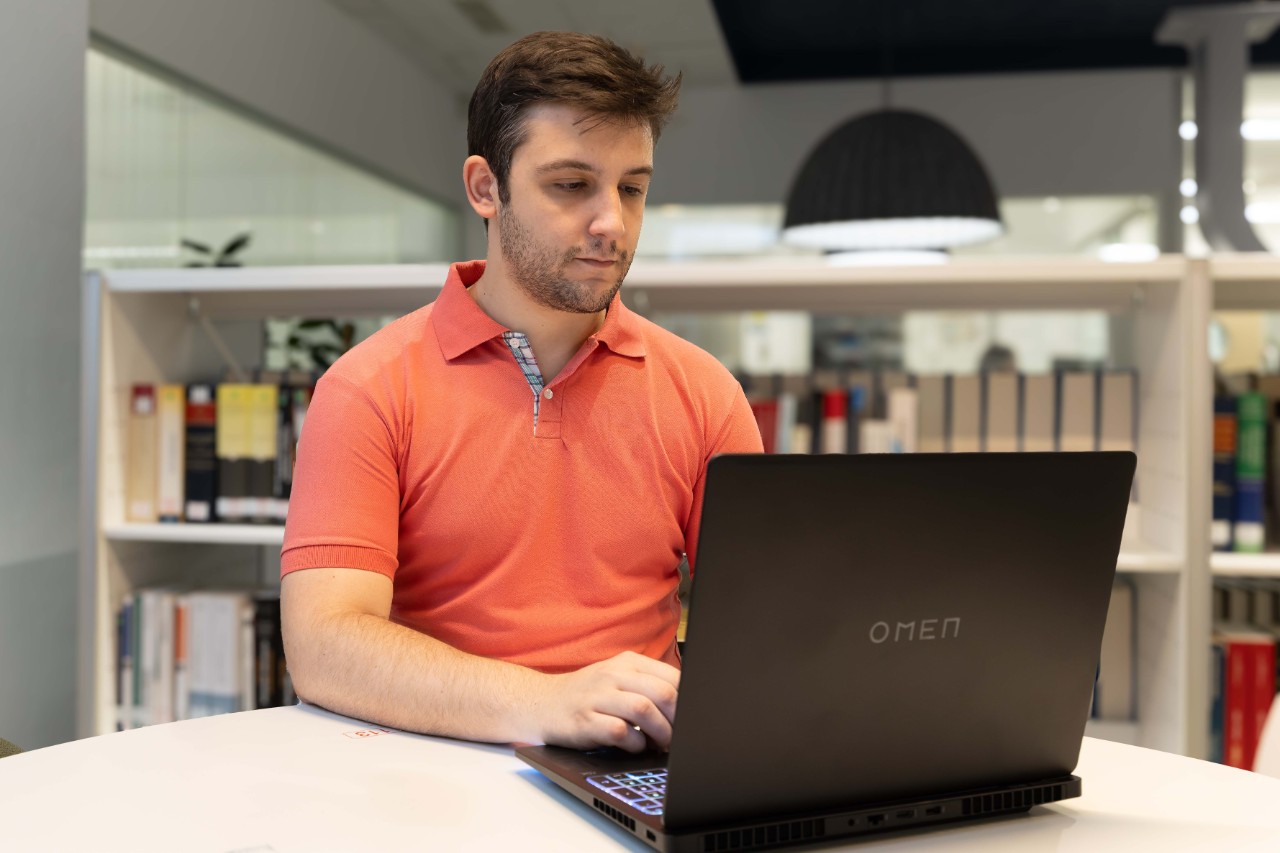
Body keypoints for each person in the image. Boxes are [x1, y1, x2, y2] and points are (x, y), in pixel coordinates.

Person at [279, 31, 763, 755]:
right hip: (431, 768)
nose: (612, 222)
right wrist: (545, 701)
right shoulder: (367, 388)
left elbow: (763, 627)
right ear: (485, 187)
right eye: (571, 185)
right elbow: (323, 645)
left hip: (634, 764)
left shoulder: (704, 392)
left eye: (632, 188)